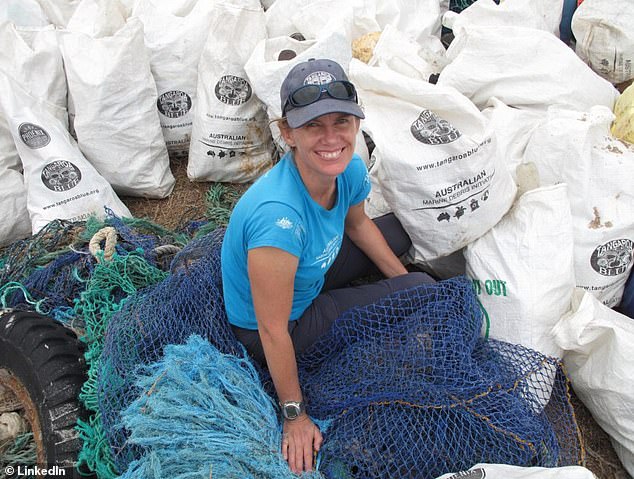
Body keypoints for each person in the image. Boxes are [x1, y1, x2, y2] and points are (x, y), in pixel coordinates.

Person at [220, 58, 434, 474]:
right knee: (426, 288)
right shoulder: (278, 218)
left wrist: (399, 280)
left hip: (308, 271)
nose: (331, 138)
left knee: (398, 236)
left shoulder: (348, 167)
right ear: (287, 134)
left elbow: (356, 224)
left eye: (341, 121)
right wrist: (295, 416)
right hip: (280, 325)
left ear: (356, 125)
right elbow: (271, 329)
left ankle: (392, 289)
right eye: (313, 125)